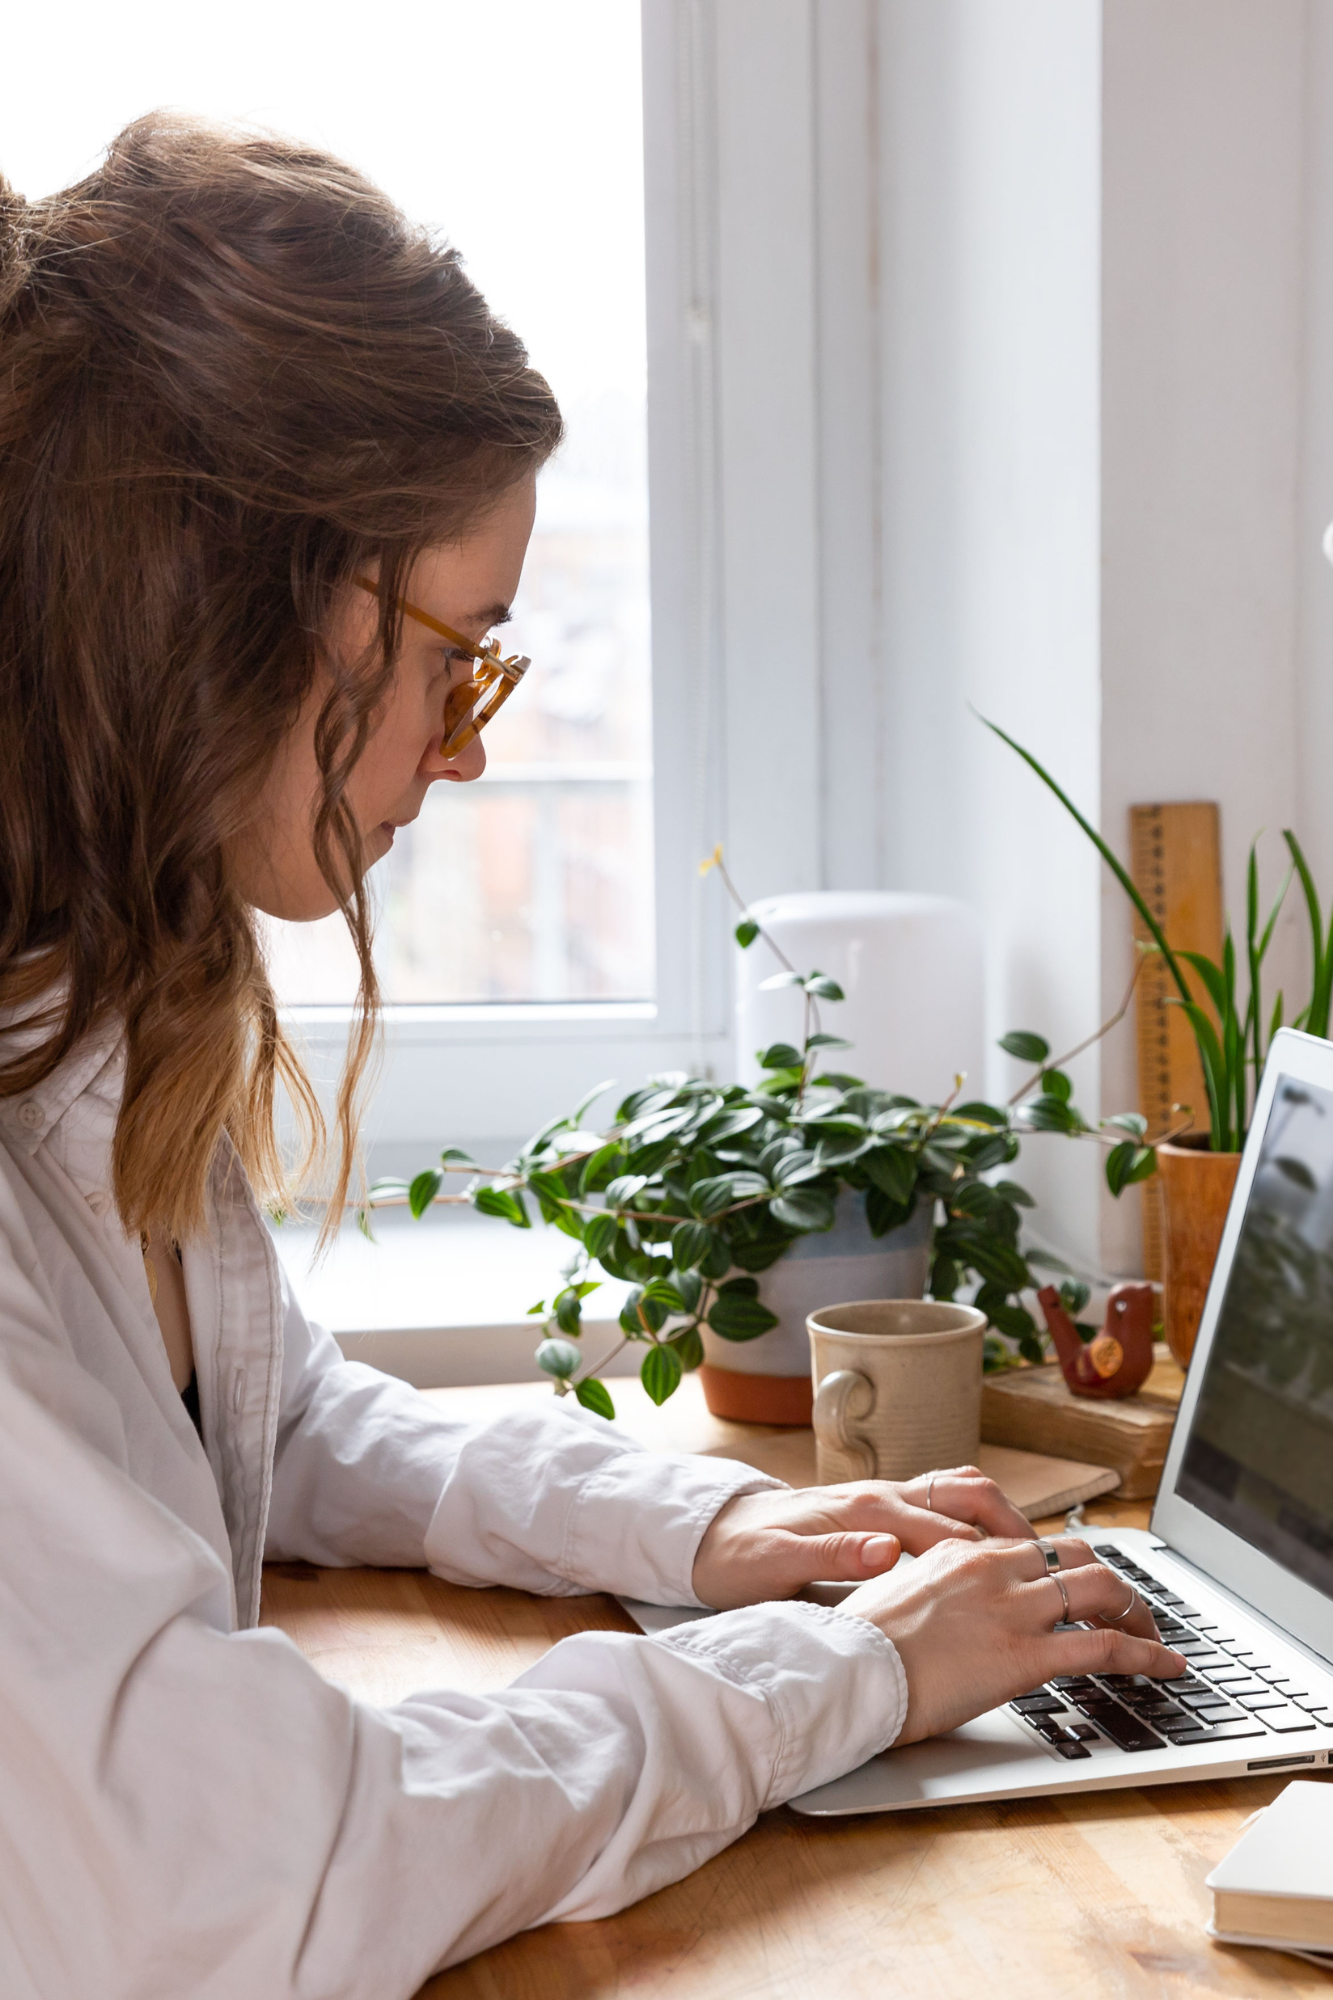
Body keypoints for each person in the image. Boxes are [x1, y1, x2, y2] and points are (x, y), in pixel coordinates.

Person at [0, 116, 1183, 1998]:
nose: (467, 752)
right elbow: (266, 1873)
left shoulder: (109, 1014)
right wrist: (853, 1668)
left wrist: (722, 1526)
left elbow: (276, 1424)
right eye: (459, 656)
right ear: (227, 609)